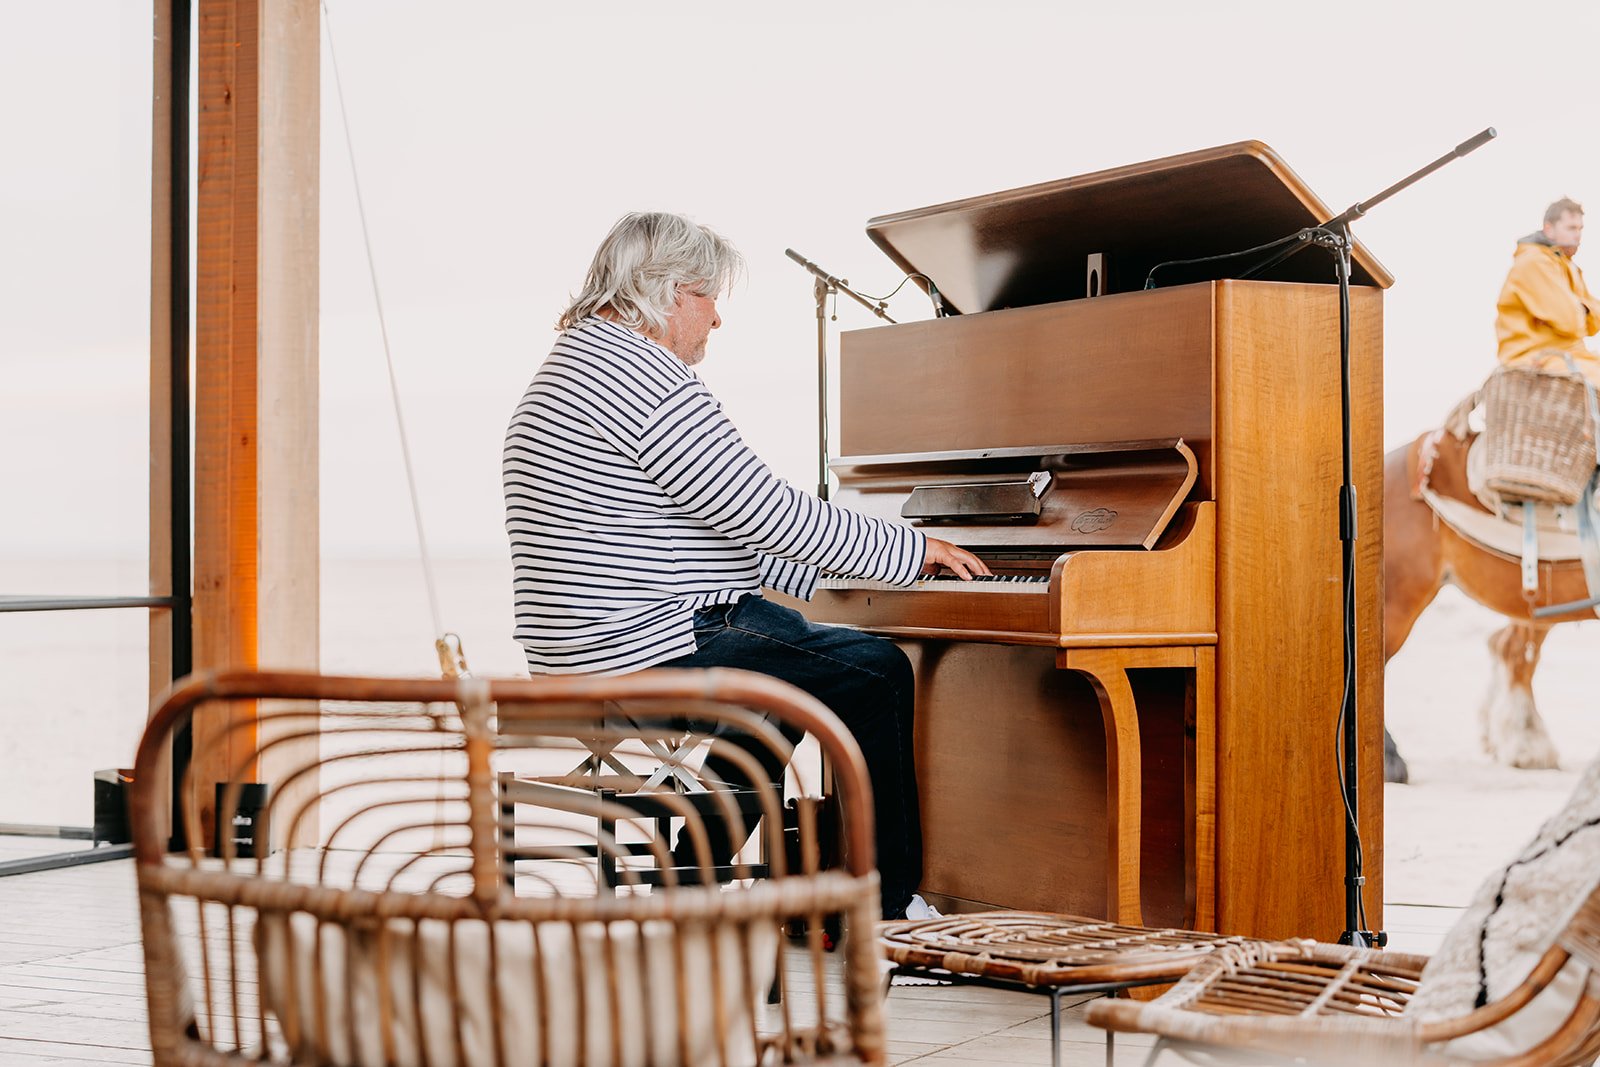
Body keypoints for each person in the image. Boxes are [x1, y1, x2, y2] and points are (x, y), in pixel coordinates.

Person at [502, 211, 989, 920]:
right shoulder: (647, 380)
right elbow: (763, 510)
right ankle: (888, 908)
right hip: (642, 647)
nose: (717, 319)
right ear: (665, 292)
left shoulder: (567, 373)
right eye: (708, 295)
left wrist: (822, 571)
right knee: (876, 672)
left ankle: (692, 880)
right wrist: (912, 551)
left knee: (783, 677)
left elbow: (690, 518)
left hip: (575, 654)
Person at [1495, 197, 1600, 385]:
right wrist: (1583, 311)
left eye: (1580, 229)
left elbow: (1594, 323)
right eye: (1571, 228)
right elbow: (1570, 322)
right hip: (1535, 357)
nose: (1577, 235)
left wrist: (1580, 309)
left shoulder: (1567, 266)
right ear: (1549, 229)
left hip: (1570, 356)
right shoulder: (1534, 262)